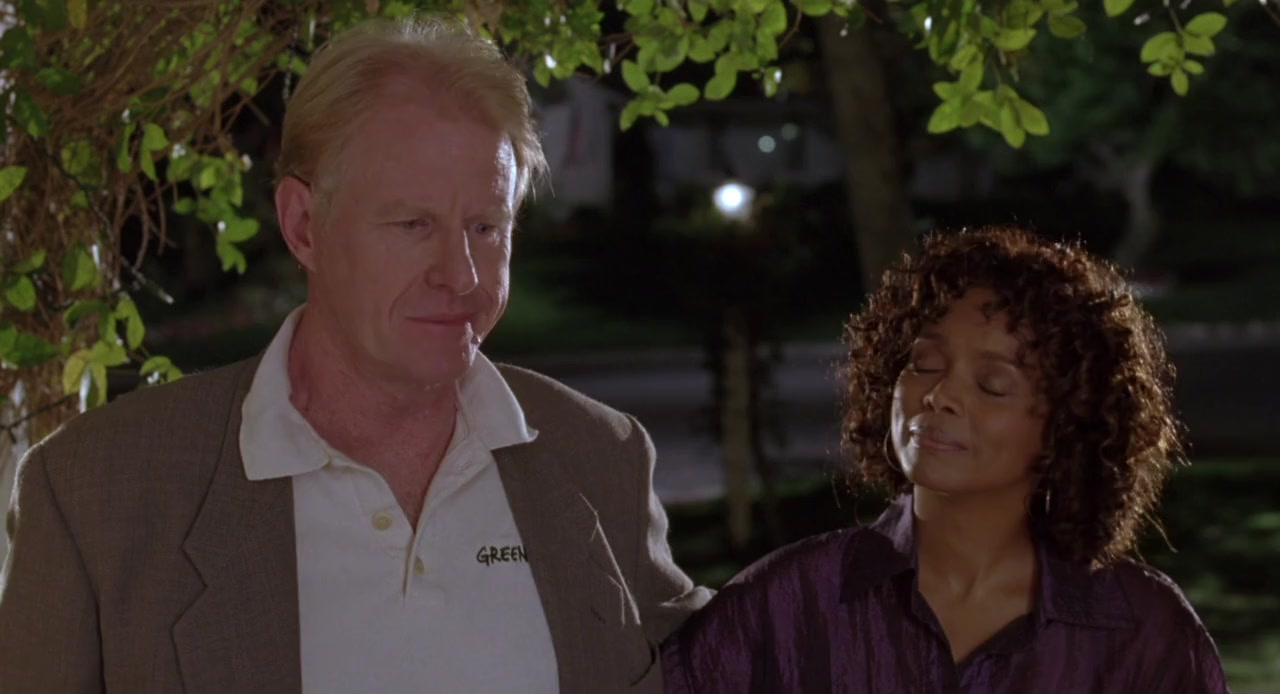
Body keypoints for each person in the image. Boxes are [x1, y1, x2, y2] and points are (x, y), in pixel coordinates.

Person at [0, 15, 707, 694]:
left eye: (486, 227)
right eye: (413, 224)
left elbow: (729, 660)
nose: (461, 275)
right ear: (303, 225)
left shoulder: (599, 458)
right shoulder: (99, 493)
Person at [662, 226, 1228, 693]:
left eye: (992, 385)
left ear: (1070, 422)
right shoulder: (789, 600)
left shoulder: (1144, 633)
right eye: (924, 364)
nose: (939, 396)